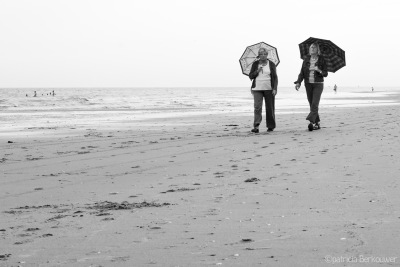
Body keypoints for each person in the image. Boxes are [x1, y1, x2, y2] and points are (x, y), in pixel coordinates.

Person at [294, 42, 328, 131]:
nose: (312, 48)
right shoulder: (306, 60)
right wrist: (298, 82)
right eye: (311, 47)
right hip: (308, 84)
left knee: (314, 104)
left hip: (318, 84)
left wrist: (319, 70)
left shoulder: (322, 60)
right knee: (311, 103)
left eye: (314, 47)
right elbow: (301, 73)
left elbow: (325, 73)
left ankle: (311, 122)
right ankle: (317, 123)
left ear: (317, 50)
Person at [248, 48, 278, 133]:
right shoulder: (255, 64)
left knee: (270, 108)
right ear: (259, 55)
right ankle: (256, 126)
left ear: (267, 55)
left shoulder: (271, 64)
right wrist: (257, 71)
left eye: (265, 54)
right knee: (257, 107)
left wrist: (275, 88)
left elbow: (275, 77)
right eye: (261, 54)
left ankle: (271, 126)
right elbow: (250, 76)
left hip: (269, 88)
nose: (263, 55)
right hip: (257, 88)